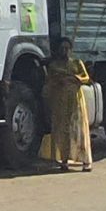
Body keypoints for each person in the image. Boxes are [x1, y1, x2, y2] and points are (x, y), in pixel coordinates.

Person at [40, 41, 94, 172]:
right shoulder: (54, 66)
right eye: (62, 48)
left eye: (67, 48)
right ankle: (64, 161)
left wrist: (73, 78)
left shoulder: (77, 63)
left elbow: (86, 78)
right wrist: (59, 80)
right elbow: (50, 81)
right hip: (61, 102)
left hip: (76, 101)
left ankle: (85, 161)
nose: (64, 51)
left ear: (71, 50)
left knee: (79, 130)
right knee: (63, 130)